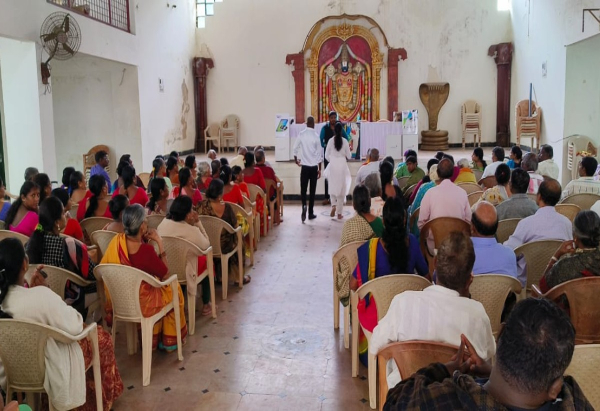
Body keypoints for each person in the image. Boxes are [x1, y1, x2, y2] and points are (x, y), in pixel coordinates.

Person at [383, 298, 592, 410]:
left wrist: (443, 369)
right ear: (554, 388)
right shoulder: (573, 400)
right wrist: (493, 371)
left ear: (499, 336)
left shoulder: (438, 400)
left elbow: (394, 402)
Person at [0, 238, 123, 411]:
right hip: (48, 370)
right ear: (24, 264)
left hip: (16, 371)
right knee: (102, 337)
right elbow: (74, 325)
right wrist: (47, 291)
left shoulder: (5, 301)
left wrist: (32, 289)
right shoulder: (40, 296)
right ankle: (98, 403)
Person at [370, 231, 495, 389]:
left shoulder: (403, 302)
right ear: (469, 280)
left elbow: (375, 345)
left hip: (406, 399)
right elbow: (488, 355)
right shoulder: (477, 314)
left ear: (434, 263)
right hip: (456, 403)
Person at [350, 197, 428, 363]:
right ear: (405, 220)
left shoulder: (371, 249)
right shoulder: (412, 244)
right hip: (406, 319)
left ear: (383, 221)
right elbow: (426, 277)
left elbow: (353, 284)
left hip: (378, 320)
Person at [101, 204, 188, 350]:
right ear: (142, 227)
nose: (147, 223)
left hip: (121, 299)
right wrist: (159, 243)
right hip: (143, 303)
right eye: (146, 221)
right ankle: (168, 341)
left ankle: (155, 337)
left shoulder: (116, 242)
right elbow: (166, 274)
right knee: (174, 287)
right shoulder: (146, 251)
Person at [26, 197, 96, 316]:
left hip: (41, 301)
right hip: (69, 302)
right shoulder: (69, 245)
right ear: (57, 222)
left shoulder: (29, 244)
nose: (66, 215)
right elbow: (91, 273)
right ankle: (89, 325)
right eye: (63, 213)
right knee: (99, 283)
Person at [157, 195, 214, 315]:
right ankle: (206, 304)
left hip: (167, 268)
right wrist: (198, 223)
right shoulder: (191, 231)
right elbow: (206, 245)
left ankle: (181, 302)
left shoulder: (163, 223)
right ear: (188, 215)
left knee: (182, 258)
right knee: (207, 261)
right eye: (192, 209)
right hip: (186, 270)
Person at [197, 179, 250, 285]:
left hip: (206, 244)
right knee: (238, 237)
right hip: (224, 246)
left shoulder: (201, 206)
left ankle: (219, 276)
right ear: (220, 194)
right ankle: (238, 277)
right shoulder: (227, 208)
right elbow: (235, 226)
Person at [540, 210, 600, 293]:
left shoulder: (564, 266)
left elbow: (543, 288)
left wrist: (556, 255)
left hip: (572, 306)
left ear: (575, 236)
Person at [418, 158, 471, 251]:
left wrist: (432, 235)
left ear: (437, 173)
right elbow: (468, 222)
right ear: (452, 173)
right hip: (457, 247)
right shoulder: (462, 193)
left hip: (434, 247)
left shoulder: (430, 193)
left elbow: (421, 224)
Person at [505, 178, 573, 249]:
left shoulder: (526, 223)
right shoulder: (567, 223)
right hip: (558, 260)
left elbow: (511, 248)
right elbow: (569, 248)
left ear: (539, 196)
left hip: (530, 260)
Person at [470, 201, 518, 281]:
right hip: (502, 293)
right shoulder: (510, 255)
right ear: (498, 226)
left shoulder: (461, 256)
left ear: (472, 226)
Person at [293, 116, 323, 222]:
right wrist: (319, 169)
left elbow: (295, 148)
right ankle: (310, 212)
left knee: (303, 189)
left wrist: (296, 159)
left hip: (304, 167)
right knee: (312, 190)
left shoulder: (301, 134)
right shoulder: (316, 136)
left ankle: (303, 206)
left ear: (306, 123)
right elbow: (319, 154)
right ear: (313, 124)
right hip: (314, 167)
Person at [320, 111, 350, 205]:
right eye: (331, 118)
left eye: (334, 117)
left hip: (334, 159)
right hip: (329, 157)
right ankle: (327, 197)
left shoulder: (339, 127)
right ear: (329, 119)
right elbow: (321, 139)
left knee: (338, 178)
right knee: (328, 178)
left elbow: (347, 138)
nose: (333, 119)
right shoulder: (325, 128)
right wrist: (324, 145)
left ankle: (335, 199)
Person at [325, 122, 353, 219]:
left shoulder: (330, 141)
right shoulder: (345, 141)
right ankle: (339, 213)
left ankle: (333, 205)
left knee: (332, 185)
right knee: (342, 189)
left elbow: (326, 155)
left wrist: (332, 160)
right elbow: (349, 156)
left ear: (334, 130)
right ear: (341, 130)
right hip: (342, 165)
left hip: (333, 164)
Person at [408, 165, 439, 238]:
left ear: (430, 174)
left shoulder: (424, 188)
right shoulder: (453, 190)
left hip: (424, 234)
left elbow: (414, 210)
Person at [243, 152, 267, 233]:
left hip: (245, 201)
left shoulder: (241, 173)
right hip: (256, 201)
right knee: (262, 200)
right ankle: (260, 230)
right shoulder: (257, 171)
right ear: (253, 161)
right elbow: (263, 188)